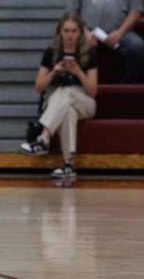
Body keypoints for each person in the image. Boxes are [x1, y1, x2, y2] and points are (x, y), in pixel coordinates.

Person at [18, 12, 98, 180]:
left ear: (80, 32)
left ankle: (44, 138)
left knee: (68, 92)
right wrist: (54, 71)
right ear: (59, 32)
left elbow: (93, 90)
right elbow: (39, 86)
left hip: (84, 100)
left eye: (74, 31)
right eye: (66, 31)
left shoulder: (88, 53)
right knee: (68, 110)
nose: (69, 35)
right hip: (56, 100)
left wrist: (77, 71)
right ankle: (68, 164)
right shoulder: (51, 52)